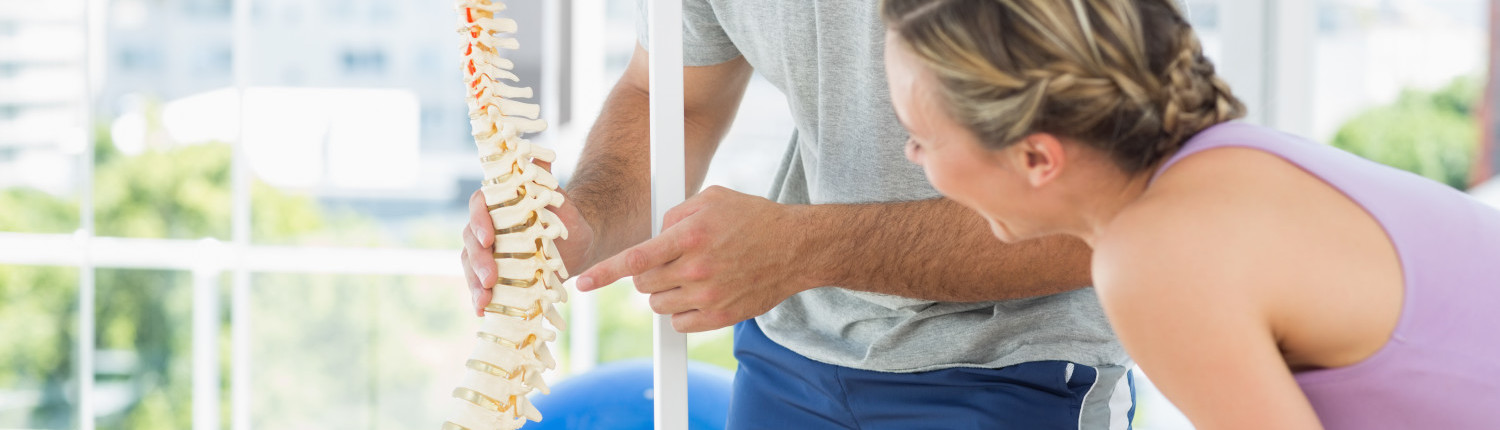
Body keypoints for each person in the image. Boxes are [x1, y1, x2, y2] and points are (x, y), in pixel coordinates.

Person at [462, 0, 1136, 428]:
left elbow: (1102, 215)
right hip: (791, 359)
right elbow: (671, 99)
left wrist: (803, 249)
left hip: (1013, 366)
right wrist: (579, 220)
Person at [880, 0, 1500, 428]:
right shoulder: (1232, 160)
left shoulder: (1154, 256)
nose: (911, 155)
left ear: (1036, 156)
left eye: (921, 137)